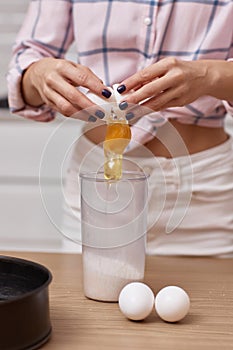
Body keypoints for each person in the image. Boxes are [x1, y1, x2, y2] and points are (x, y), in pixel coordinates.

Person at [7, 0, 233, 257]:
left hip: (205, 192)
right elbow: (29, 59)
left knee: (213, 298)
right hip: (98, 187)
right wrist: (37, 74)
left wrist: (211, 75)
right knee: (83, 297)